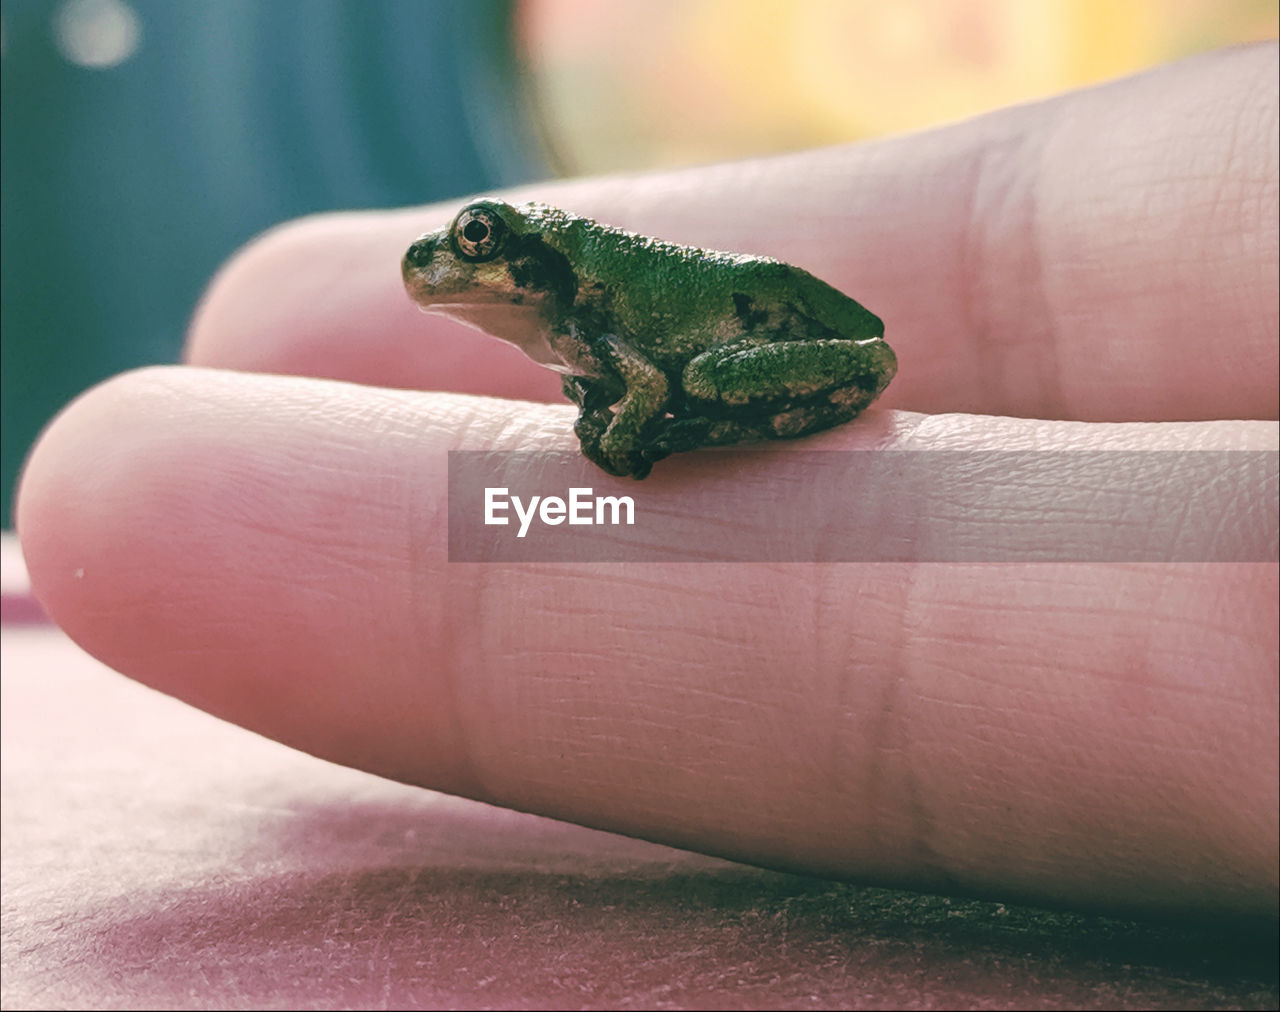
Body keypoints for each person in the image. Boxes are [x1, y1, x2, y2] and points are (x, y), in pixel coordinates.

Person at [16, 42, 1277, 915]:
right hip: (738, 319)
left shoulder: (591, 317)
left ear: (534, 264)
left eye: (476, 247)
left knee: (631, 426)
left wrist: (623, 433)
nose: (451, 265)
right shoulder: (563, 322)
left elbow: (625, 413)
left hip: (748, 340)